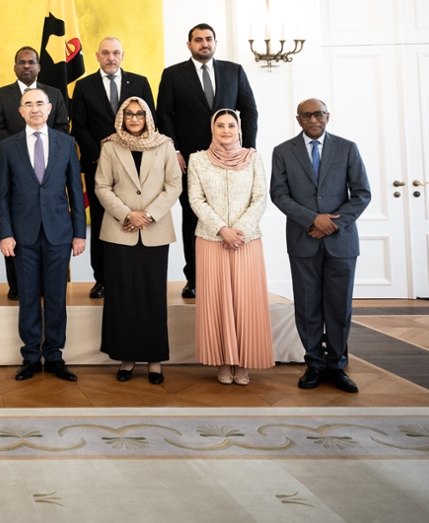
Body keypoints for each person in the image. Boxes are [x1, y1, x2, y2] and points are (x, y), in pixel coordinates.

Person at [270, 99, 370, 394]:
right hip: (304, 239)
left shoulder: (347, 148)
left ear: (328, 116)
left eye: (319, 113)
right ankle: (314, 363)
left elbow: (362, 193)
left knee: (339, 307)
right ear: (298, 119)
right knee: (307, 305)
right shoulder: (283, 151)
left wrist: (333, 223)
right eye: (307, 114)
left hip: (341, 240)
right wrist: (313, 219)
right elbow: (279, 194)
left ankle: (337, 365)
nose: (313, 119)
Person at [157, 24, 258, 299]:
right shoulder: (173, 74)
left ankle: (228, 274)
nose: (204, 44)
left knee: (231, 214)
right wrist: (174, 150)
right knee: (193, 217)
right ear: (189, 44)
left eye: (209, 39)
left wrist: (248, 149)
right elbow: (164, 114)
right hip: (189, 160)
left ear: (215, 42)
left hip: (230, 159)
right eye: (198, 40)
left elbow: (249, 109)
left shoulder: (233, 71)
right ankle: (195, 278)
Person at [0, 87, 86, 382]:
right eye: (28, 104)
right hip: (23, 237)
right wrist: (5, 234)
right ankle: (31, 356)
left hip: (60, 233)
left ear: (49, 109)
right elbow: (3, 196)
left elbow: (75, 190)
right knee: (29, 297)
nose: (35, 109)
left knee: (57, 298)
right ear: (20, 111)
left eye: (40, 104)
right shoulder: (9, 147)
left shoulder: (66, 142)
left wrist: (79, 233)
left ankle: (55, 355)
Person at [94, 99, 181, 385]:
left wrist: (149, 215)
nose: (134, 118)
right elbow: (102, 186)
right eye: (129, 114)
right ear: (121, 117)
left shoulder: (164, 144)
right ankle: (126, 357)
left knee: (152, 296)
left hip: (154, 231)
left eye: (139, 113)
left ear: (147, 117)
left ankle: (154, 359)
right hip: (120, 231)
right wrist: (127, 214)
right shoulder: (110, 146)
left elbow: (174, 185)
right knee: (122, 297)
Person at [187, 109, 273, 385]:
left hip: (246, 241)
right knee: (218, 301)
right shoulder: (198, 159)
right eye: (220, 125)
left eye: (231, 125)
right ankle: (223, 361)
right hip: (212, 240)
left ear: (239, 129)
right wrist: (222, 230)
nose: (226, 130)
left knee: (245, 302)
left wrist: (239, 231)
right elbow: (196, 200)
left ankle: (243, 361)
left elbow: (260, 197)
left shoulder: (254, 158)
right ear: (212, 129)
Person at [70, 37, 155, 298]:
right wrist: (100, 156)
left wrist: (133, 156)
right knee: (102, 222)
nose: (111, 57)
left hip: (136, 167)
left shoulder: (139, 82)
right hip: (99, 166)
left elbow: (149, 121)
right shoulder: (84, 86)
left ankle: (132, 278)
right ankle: (103, 279)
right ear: (97, 56)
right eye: (105, 53)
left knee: (135, 218)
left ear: (123, 55)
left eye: (115, 52)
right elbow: (80, 127)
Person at [0, 46, 70, 301]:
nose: (27, 66)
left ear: (38, 66)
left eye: (31, 62)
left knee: (47, 228)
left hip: (48, 169)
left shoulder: (54, 94)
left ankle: (48, 286)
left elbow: (62, 127)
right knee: (17, 225)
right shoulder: (1, 95)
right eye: (22, 62)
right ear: (15, 66)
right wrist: (19, 148)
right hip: (15, 169)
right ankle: (16, 285)